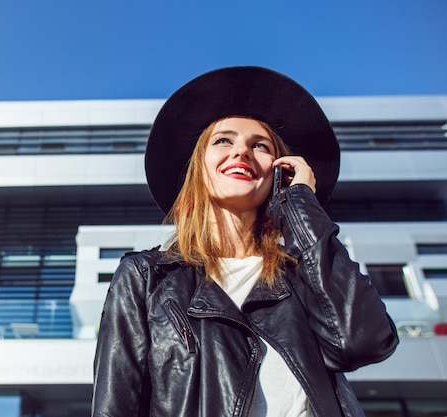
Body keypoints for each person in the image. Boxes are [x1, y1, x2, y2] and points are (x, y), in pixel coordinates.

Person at [91, 66, 399, 417]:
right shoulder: (147, 277)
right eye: (224, 140)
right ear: (198, 168)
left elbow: (365, 342)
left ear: (279, 172)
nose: (242, 152)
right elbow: (114, 406)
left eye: (260, 145)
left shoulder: (303, 277)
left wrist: (299, 203)